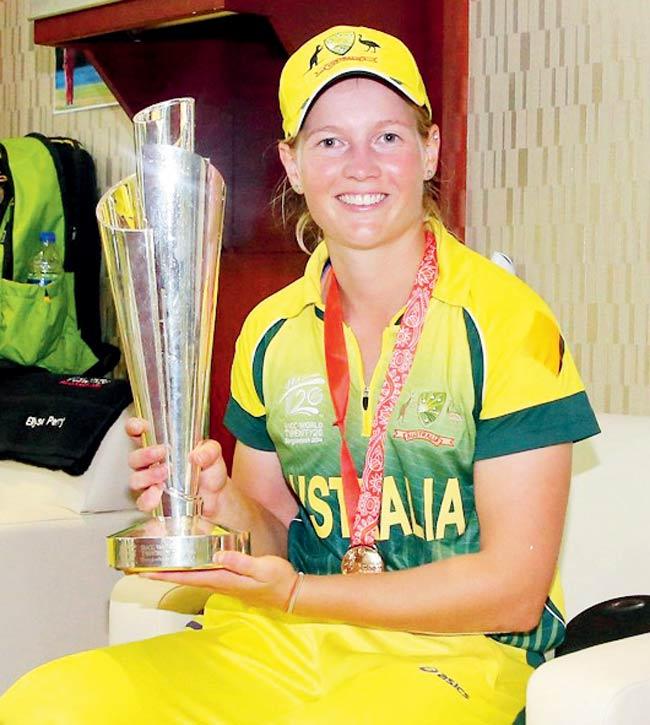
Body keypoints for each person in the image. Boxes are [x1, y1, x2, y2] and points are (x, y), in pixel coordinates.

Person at [0, 25, 599, 724]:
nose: (360, 166)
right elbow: (278, 532)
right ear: (291, 162)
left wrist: (297, 594)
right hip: (281, 643)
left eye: (388, 137)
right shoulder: (271, 330)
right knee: (50, 701)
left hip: (452, 655)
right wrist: (221, 507)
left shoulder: (504, 322)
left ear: (430, 150)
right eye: (329, 141)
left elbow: (513, 588)